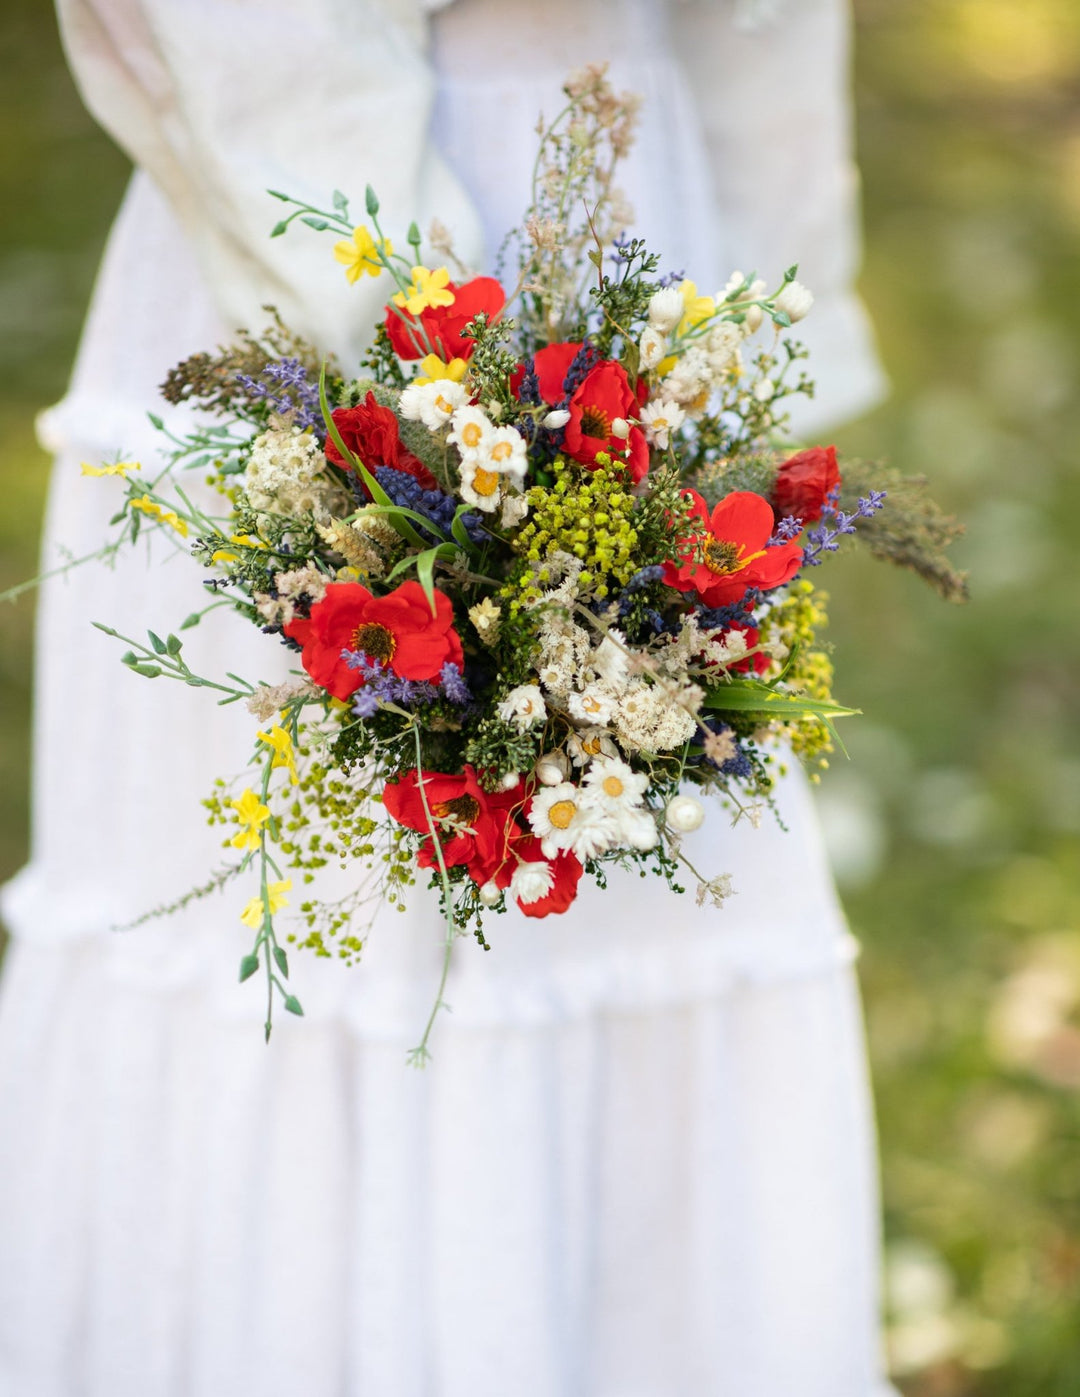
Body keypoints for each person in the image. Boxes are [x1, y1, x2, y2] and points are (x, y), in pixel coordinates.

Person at [0, 0, 895, 1392]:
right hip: (319, 250)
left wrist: (755, 336)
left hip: (655, 242)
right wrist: (426, 377)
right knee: (330, 956)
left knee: (629, 925)